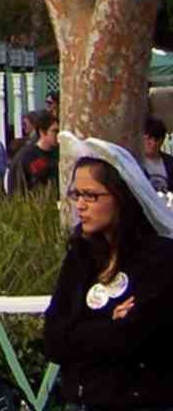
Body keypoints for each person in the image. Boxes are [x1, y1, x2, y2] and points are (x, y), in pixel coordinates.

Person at [42, 137, 173, 409]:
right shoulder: (80, 256)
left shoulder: (158, 258)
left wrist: (82, 327)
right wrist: (107, 322)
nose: (80, 205)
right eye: (77, 194)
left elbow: (133, 338)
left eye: (91, 196)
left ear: (121, 196)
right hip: (80, 400)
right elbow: (53, 340)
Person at [10, 113, 63, 193]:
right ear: (42, 132)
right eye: (54, 131)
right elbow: (15, 187)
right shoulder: (24, 157)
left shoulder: (60, 154)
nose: (58, 135)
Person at [142, 118, 169, 195]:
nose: (153, 143)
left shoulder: (170, 162)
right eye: (149, 138)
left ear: (162, 140)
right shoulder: (135, 163)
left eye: (156, 139)